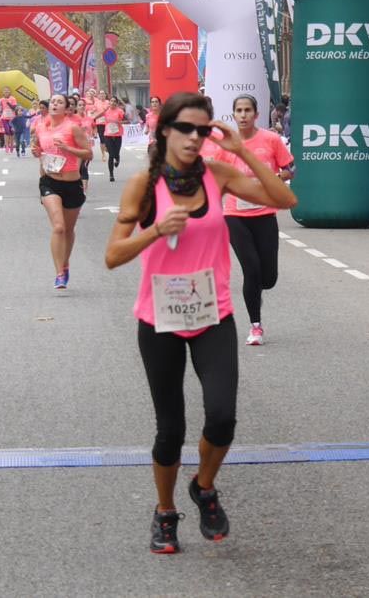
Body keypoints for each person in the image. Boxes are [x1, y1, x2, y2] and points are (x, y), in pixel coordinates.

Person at [103, 91, 297, 555]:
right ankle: (165, 512)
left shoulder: (219, 175)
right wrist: (154, 230)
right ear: (165, 131)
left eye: (202, 129)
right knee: (170, 429)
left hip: (212, 315)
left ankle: (204, 487)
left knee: (223, 417)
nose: (194, 138)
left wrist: (242, 149)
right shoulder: (143, 187)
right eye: (185, 128)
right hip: (160, 319)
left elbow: (285, 198)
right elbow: (112, 256)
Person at [206, 95, 295, 345]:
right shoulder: (225, 146)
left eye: (247, 110)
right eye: (239, 111)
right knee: (251, 270)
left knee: (269, 277)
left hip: (265, 214)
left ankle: (258, 288)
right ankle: (255, 326)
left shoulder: (271, 139)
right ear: (233, 115)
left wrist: (276, 177)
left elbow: (291, 169)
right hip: (235, 216)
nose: (243, 115)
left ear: (256, 115)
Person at [31, 94, 94, 289]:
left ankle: (65, 264)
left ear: (67, 109)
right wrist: (36, 152)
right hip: (49, 182)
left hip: (72, 183)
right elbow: (38, 148)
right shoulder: (41, 127)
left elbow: (89, 153)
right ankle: (59, 272)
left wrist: (68, 148)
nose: (54, 104)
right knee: (58, 227)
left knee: (68, 229)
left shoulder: (72, 128)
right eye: (53, 102)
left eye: (59, 102)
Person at [101, 96, 126, 182]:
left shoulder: (120, 111)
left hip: (118, 135)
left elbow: (127, 120)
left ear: (117, 103)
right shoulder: (106, 111)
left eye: (114, 101)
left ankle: (118, 159)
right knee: (111, 155)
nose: (112, 103)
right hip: (108, 135)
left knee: (116, 153)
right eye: (111, 101)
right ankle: (111, 175)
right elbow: (97, 116)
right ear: (109, 102)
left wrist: (119, 122)